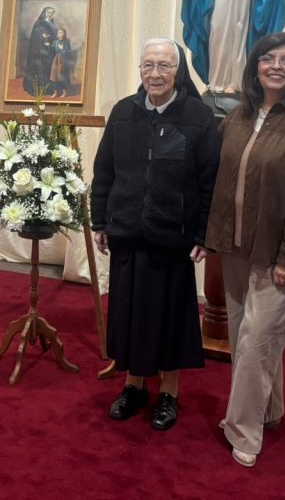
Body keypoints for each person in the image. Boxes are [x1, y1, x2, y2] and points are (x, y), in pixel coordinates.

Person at [205, 32, 285, 467]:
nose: (276, 66)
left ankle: (242, 430)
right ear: (255, 66)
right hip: (234, 245)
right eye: (267, 58)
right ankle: (269, 410)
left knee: (257, 342)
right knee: (245, 335)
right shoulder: (238, 115)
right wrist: (210, 236)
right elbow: (219, 180)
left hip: (279, 253)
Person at [91, 37, 221, 431]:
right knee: (129, 315)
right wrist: (100, 221)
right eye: (148, 65)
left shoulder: (199, 118)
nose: (155, 73)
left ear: (178, 71)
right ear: (140, 70)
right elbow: (104, 171)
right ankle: (133, 386)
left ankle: (169, 392)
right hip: (128, 232)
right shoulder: (123, 112)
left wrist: (202, 234)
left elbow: (210, 183)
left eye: (164, 65)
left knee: (169, 319)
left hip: (171, 238)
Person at [23, 6, 57, 94]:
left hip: (49, 51)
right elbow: (36, 34)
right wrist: (42, 37)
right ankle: (38, 89)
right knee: (39, 69)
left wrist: (50, 42)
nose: (50, 14)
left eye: (52, 13)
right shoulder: (40, 23)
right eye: (48, 12)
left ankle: (47, 89)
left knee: (47, 69)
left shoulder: (52, 24)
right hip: (38, 50)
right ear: (44, 13)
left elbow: (55, 36)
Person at [48, 27, 73, 97]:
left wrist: (63, 49)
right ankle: (55, 92)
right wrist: (48, 46)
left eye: (61, 32)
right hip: (56, 60)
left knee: (62, 76)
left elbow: (69, 52)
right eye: (58, 32)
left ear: (64, 34)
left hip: (63, 60)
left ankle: (64, 92)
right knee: (54, 76)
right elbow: (51, 50)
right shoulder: (55, 42)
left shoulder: (66, 42)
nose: (59, 34)